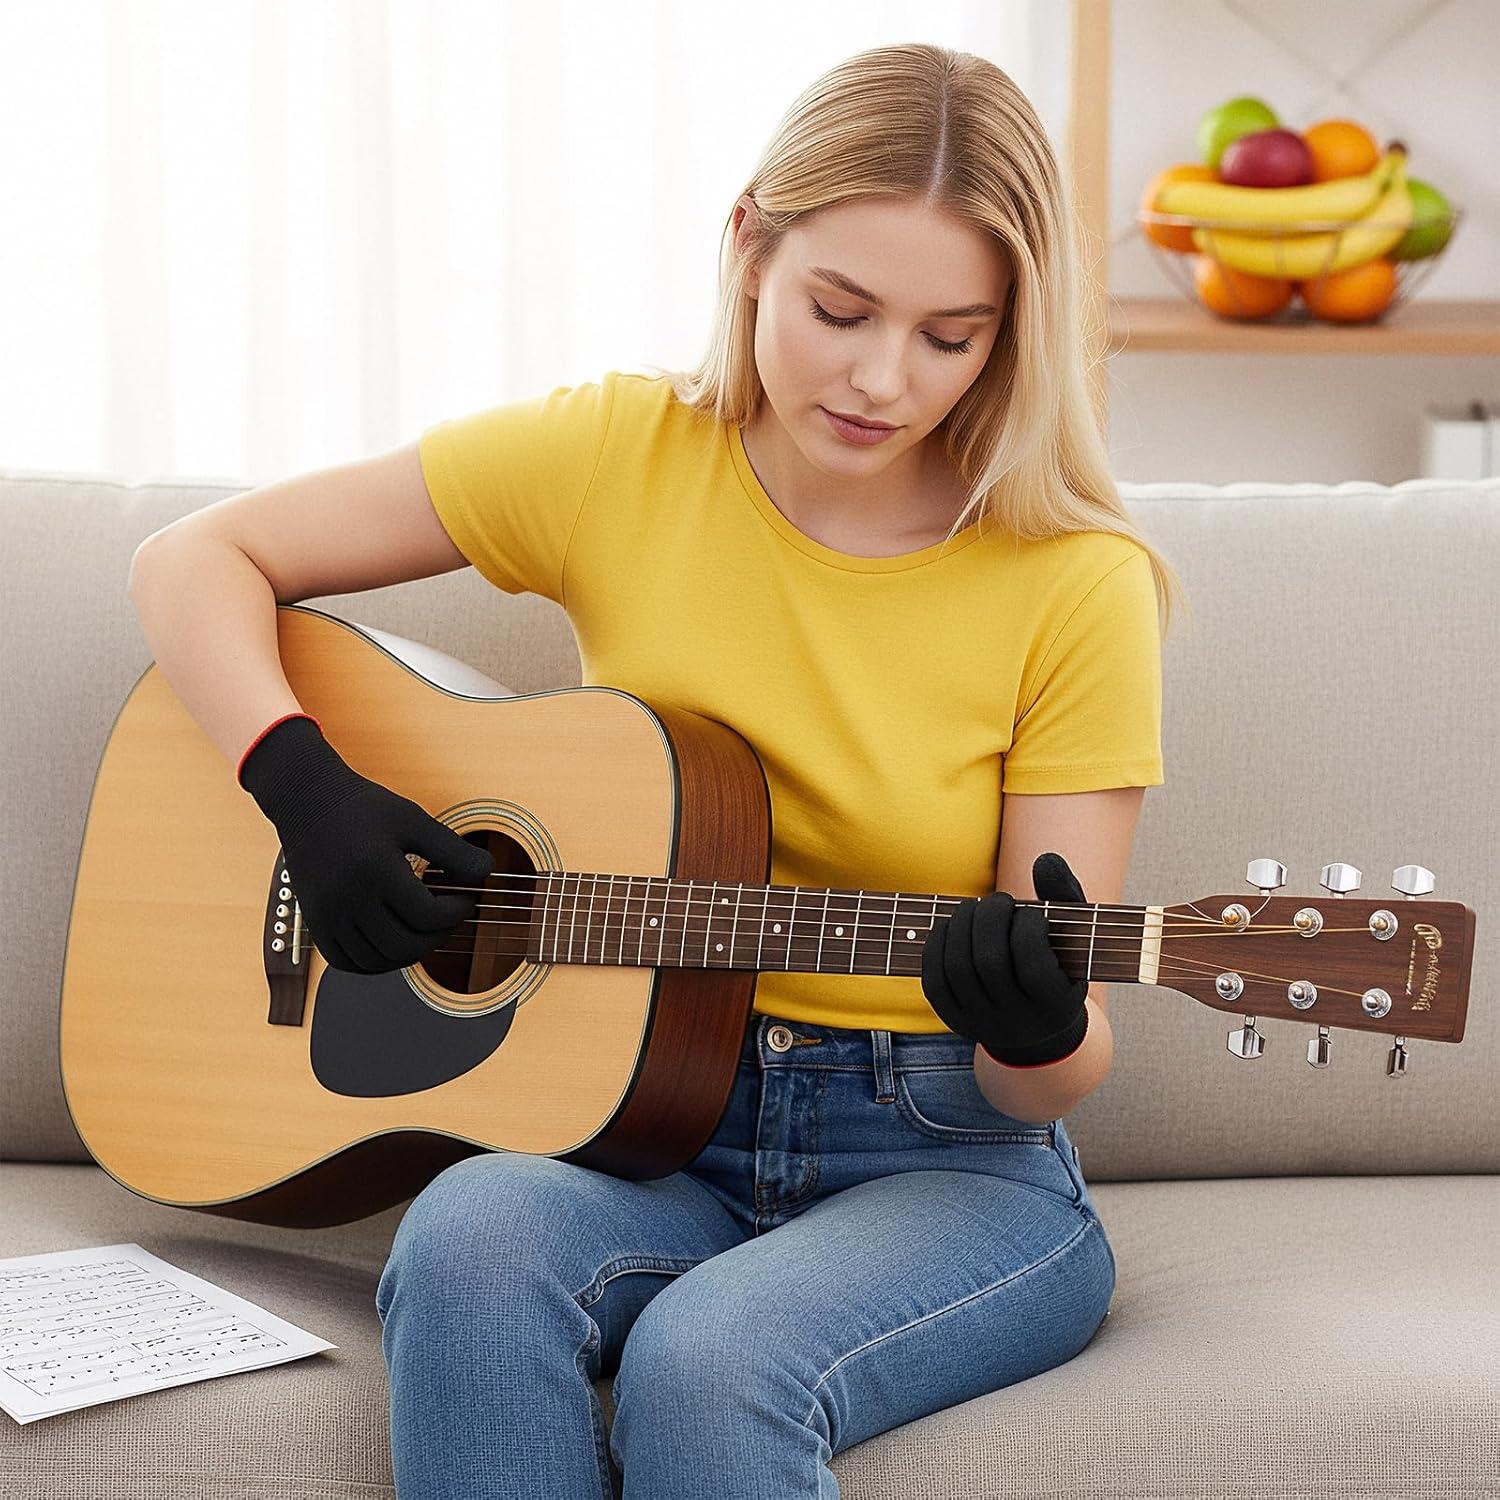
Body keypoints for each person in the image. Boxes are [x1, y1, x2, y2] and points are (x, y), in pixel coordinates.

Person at [128, 40, 1187, 1500]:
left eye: (952, 336)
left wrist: (1033, 1021)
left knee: (710, 1358)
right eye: (839, 309)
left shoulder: (1077, 581)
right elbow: (197, 558)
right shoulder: (619, 455)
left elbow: (1051, 1084)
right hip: (639, 1120)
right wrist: (299, 785)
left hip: (944, 1159)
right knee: (468, 1238)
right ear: (749, 243)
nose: (884, 377)